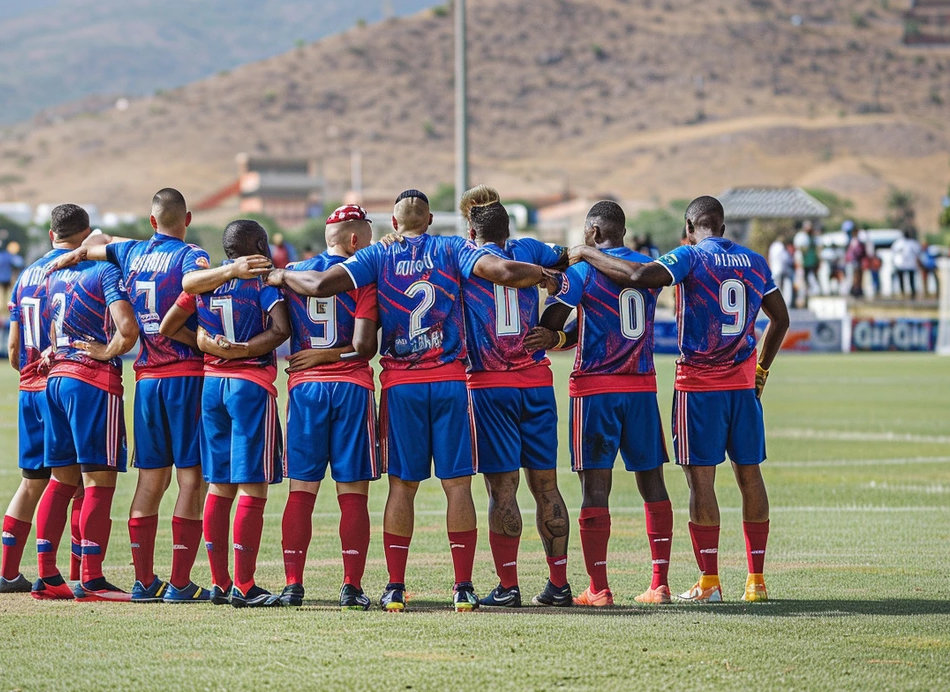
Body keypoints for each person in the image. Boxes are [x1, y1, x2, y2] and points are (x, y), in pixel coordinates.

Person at [267, 189, 559, 612]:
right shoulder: (452, 247)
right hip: (449, 380)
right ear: (430, 218)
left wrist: (278, 275)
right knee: (457, 485)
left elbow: (322, 284)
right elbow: (503, 270)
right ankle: (462, 587)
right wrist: (540, 274)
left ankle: (395, 587)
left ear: (394, 222)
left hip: (400, 385)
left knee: (401, 487)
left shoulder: (378, 256)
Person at [567, 196, 790, 603]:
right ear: (720, 227)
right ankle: (756, 581)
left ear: (689, 227)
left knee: (700, 481)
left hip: (698, 386)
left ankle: (709, 582)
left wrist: (584, 252)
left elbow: (638, 274)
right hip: (742, 386)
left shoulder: (688, 257)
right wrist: (760, 371)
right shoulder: (755, 262)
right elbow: (781, 318)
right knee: (749, 475)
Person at [49, 188, 223, 604]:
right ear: (188, 219)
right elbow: (195, 286)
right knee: (190, 480)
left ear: (151, 222)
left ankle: (144, 581)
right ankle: (180, 583)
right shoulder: (192, 256)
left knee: (150, 480)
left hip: (146, 380)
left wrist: (67, 258)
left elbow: (94, 244)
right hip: (185, 375)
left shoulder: (129, 252)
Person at [533, 200, 673, 606]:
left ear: (592, 233)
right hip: (642, 387)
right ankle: (659, 583)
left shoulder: (583, 269)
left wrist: (552, 333)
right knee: (653, 484)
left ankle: (599, 588)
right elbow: (606, 317)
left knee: (595, 490)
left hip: (595, 390)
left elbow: (553, 318)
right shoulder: (649, 266)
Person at [453, 186, 572, 609]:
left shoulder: (466, 255)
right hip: (537, 382)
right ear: (510, 228)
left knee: (502, 490)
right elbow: (568, 259)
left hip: (488, 385)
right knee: (547, 486)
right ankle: (558, 584)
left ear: (471, 228)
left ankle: (508, 585)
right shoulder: (531, 249)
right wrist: (557, 318)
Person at [266, 204, 381, 610]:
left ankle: (293, 585)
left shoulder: (294, 271)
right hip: (350, 389)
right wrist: (331, 356)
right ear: (354, 240)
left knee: (301, 492)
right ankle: (351, 586)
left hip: (305, 391)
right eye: (367, 236)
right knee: (353, 494)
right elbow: (367, 347)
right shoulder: (364, 275)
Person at [191, 220, 291, 608]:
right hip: (250, 385)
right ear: (261, 246)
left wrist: (212, 346)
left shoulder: (208, 280)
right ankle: (245, 585)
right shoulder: (262, 282)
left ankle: (219, 581)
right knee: (253, 484)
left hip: (212, 386)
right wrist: (245, 349)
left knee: (218, 484)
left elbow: (191, 327)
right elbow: (280, 330)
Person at [41, 209, 140, 602]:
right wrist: (106, 351)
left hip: (56, 378)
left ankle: (47, 576)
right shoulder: (105, 272)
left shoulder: (55, 273)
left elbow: (52, 328)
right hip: (91, 384)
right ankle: (92, 578)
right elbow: (128, 330)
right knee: (99, 482)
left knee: (61, 480)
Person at [1, 204, 87, 598]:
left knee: (32, 481)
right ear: (83, 234)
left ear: (51, 234)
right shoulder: (77, 269)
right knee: (78, 480)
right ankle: (76, 570)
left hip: (27, 387)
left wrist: (28, 371)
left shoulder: (26, 274)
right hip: (62, 384)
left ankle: (8, 573)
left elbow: (13, 347)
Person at [793, 221, 819, 303]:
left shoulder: (812, 237)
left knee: (809, 279)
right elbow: (801, 249)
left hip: (807, 263)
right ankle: (801, 298)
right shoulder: (801, 237)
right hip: (801, 262)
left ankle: (810, 296)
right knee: (801, 280)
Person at [891, 231, 921, 300]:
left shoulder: (900, 243)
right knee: (905, 280)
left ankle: (911, 294)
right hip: (903, 264)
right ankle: (904, 293)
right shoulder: (911, 243)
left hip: (907, 265)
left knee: (910, 280)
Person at [768, 234, 794, 301]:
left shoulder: (773, 246)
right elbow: (785, 258)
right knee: (785, 285)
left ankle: (776, 300)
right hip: (782, 268)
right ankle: (784, 301)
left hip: (774, 269)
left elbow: (770, 257)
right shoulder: (781, 246)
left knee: (776, 286)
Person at [844, 221, 864, 298]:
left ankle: (855, 291)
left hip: (855, 262)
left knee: (856, 277)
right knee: (851, 277)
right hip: (852, 262)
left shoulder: (856, 241)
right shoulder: (852, 241)